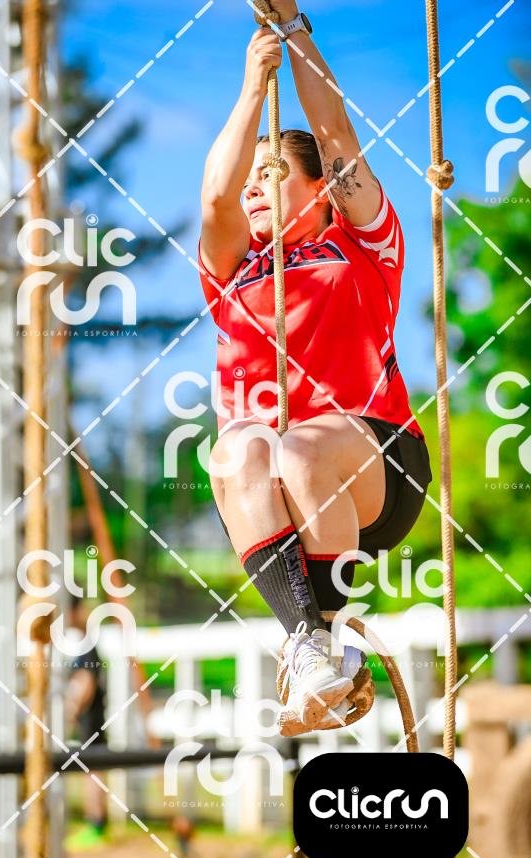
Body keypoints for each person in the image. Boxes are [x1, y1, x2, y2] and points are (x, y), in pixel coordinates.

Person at [198, 2, 432, 734]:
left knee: (297, 447)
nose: (253, 187)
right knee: (237, 448)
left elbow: (335, 136)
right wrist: (251, 85)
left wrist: (294, 31)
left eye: (272, 174)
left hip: (376, 466)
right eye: (252, 176)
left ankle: (325, 637)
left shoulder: (362, 246)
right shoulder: (232, 270)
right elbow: (215, 195)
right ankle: (313, 648)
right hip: (280, 488)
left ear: (321, 190)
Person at [64, 597, 109, 850]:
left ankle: (96, 823)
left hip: (90, 718)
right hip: (91, 717)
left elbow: (86, 682)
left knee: (93, 771)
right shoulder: (84, 644)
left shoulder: (86, 646)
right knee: (91, 770)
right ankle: (95, 823)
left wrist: (71, 710)